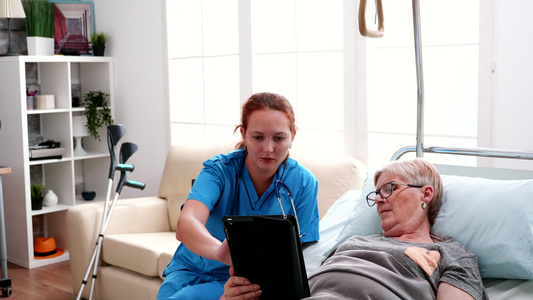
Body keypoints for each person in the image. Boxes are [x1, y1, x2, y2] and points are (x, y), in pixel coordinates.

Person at [222, 158, 488, 300]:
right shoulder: (352, 242)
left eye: (389, 189)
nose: (379, 199)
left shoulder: (450, 254)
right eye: (376, 194)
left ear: (425, 194)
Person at [157, 92, 320, 300]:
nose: (268, 149)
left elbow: (303, 250)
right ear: (243, 133)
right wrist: (221, 252)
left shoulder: (303, 183)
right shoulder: (218, 171)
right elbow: (187, 224)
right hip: (187, 268)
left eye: (279, 138)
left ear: (293, 136)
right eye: (258, 137)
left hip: (242, 279)